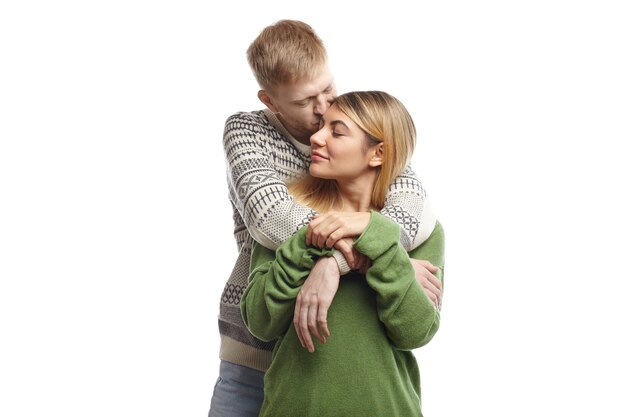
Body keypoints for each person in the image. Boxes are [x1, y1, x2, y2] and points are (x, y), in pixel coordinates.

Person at [209, 20, 441, 417]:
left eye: (327, 90)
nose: (321, 111)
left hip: (352, 367)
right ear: (271, 101)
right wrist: (377, 256)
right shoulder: (247, 131)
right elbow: (272, 219)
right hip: (254, 348)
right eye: (304, 101)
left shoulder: (361, 125)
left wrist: (336, 265)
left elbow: (414, 202)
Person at [241, 90, 444, 416]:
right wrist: (312, 243)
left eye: (336, 132)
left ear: (377, 153)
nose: (316, 138)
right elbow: (260, 321)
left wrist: (341, 262)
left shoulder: (419, 231)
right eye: (321, 126)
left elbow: (415, 332)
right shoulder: (284, 218)